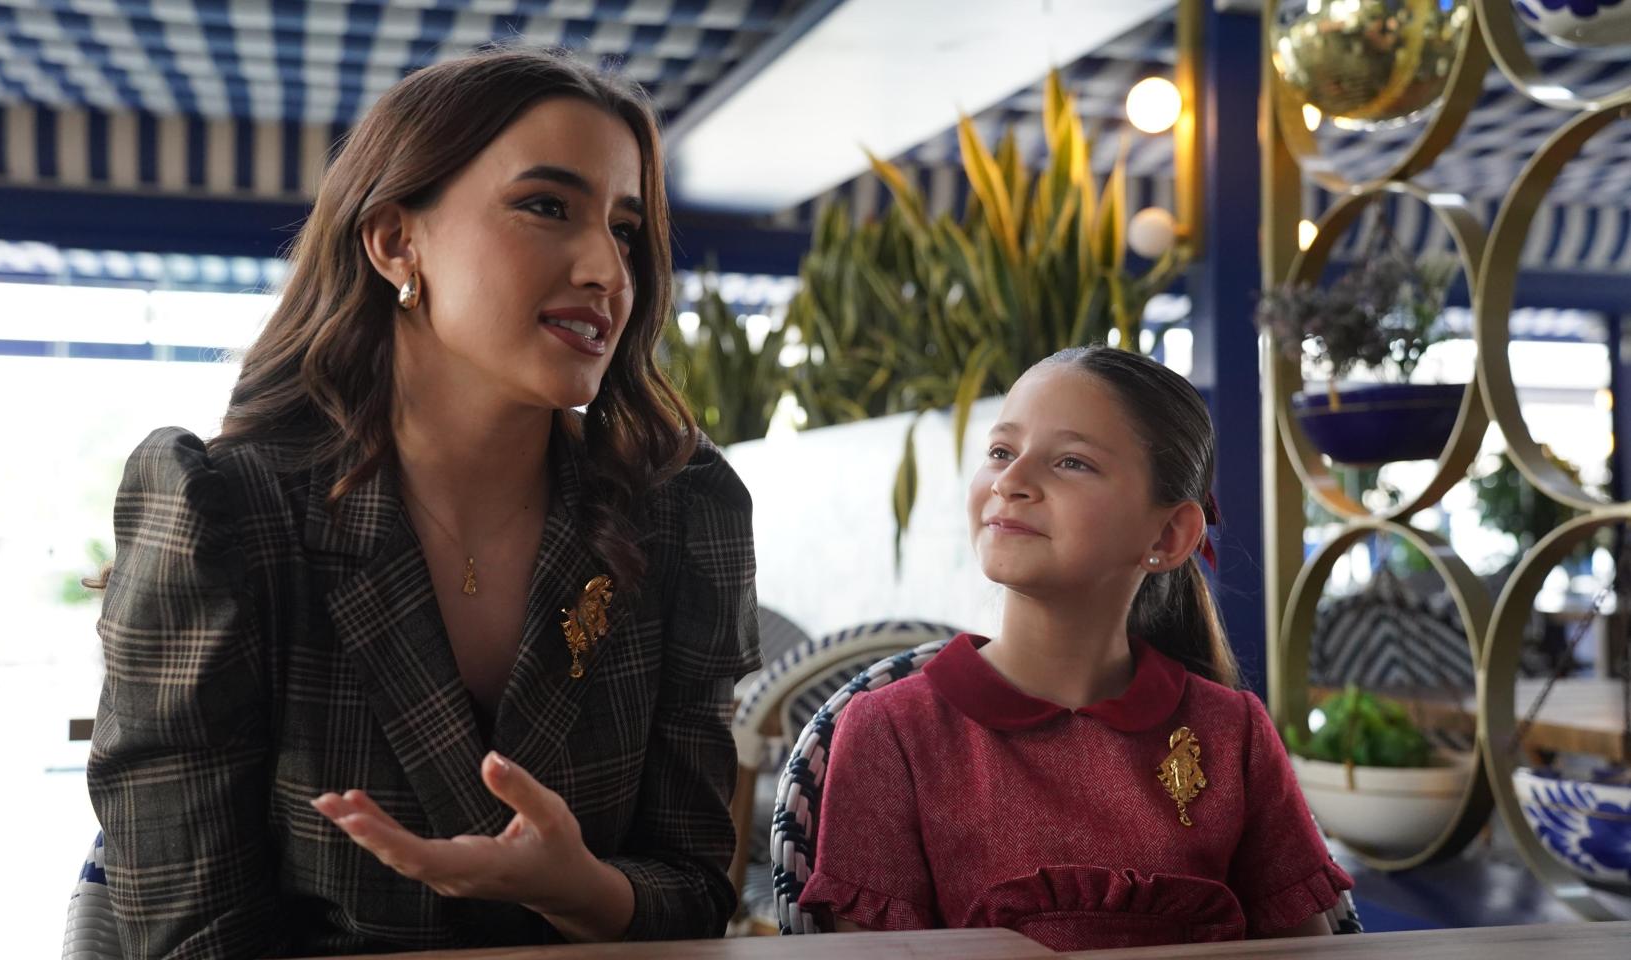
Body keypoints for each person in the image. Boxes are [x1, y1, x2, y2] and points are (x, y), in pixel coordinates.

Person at [87, 47, 759, 958]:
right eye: (547, 207)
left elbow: (695, 892)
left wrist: (585, 890)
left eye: (627, 228)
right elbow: (190, 934)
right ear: (396, 241)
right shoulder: (224, 518)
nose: (608, 267)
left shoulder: (681, 512)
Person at [797, 346, 1351, 951]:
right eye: (1001, 452)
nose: (1010, 481)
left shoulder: (1233, 734)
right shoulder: (890, 732)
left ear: (1167, 535)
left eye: (1070, 462)